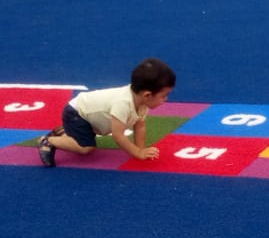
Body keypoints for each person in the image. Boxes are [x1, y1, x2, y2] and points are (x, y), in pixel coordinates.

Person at [38, 58, 175, 167]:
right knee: (86, 148)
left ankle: (66, 131)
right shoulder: (123, 103)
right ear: (147, 95)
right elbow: (118, 135)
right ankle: (48, 141)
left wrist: (141, 148)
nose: (166, 99)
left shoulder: (142, 102)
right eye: (164, 96)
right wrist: (138, 152)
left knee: (86, 138)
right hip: (76, 113)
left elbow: (140, 126)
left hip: (86, 114)